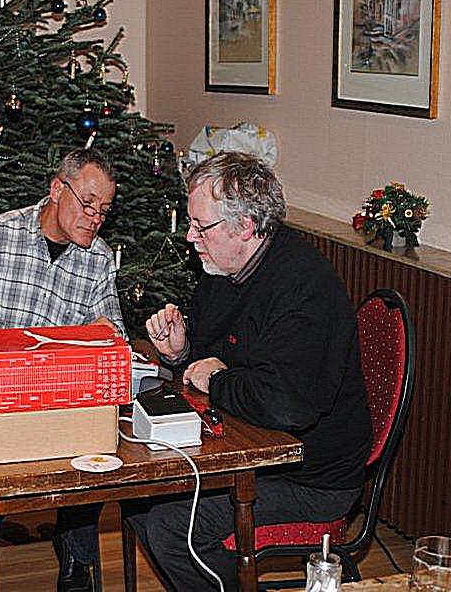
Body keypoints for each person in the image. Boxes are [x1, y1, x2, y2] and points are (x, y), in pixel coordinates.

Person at [137, 151, 373, 591]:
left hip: (311, 476)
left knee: (169, 528)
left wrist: (217, 379)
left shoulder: (305, 287)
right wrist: (181, 351)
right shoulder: (223, 267)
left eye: (200, 226)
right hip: (256, 447)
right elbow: (211, 357)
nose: (190, 237)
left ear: (245, 226)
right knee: (139, 502)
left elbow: (287, 404)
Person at [0, 148, 124, 592]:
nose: (95, 218)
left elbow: (112, 334)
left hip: (57, 403)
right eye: (88, 203)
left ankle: (77, 565)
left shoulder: (98, 258)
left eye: (104, 210)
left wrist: (106, 332)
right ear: (57, 189)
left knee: (96, 447)